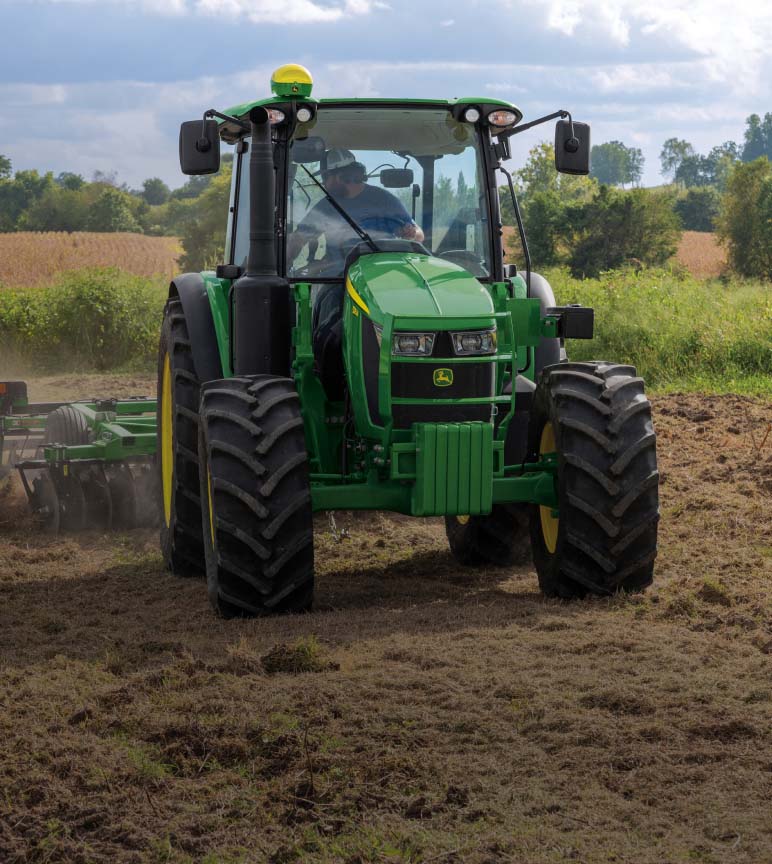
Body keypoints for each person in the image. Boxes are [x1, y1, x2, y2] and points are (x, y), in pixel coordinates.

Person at [288, 148, 425, 400]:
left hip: (386, 280)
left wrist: (411, 235)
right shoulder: (326, 207)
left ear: (341, 177)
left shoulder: (384, 201)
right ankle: (330, 387)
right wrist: (283, 263)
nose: (325, 184)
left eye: (326, 178)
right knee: (330, 332)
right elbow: (298, 239)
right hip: (338, 280)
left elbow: (417, 234)